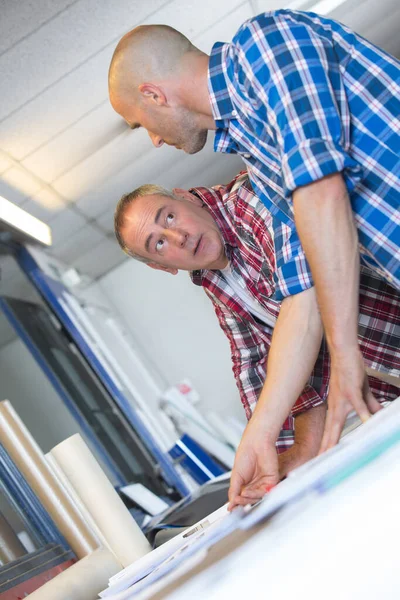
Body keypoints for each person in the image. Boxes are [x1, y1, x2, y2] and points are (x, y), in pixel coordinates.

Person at [108, 11, 400, 491]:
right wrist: (259, 437)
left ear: (154, 95)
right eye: (159, 243)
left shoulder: (263, 45)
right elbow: (295, 309)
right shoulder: (257, 156)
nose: (155, 138)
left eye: (142, 125)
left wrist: (345, 355)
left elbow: (321, 192)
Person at [113, 172, 400, 508]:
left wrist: (286, 442)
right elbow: (251, 362)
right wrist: (273, 463)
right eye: (159, 243)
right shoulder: (215, 279)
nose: (178, 237)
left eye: (170, 216)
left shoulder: (249, 201)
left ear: (186, 197)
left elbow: (309, 314)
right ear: (161, 267)